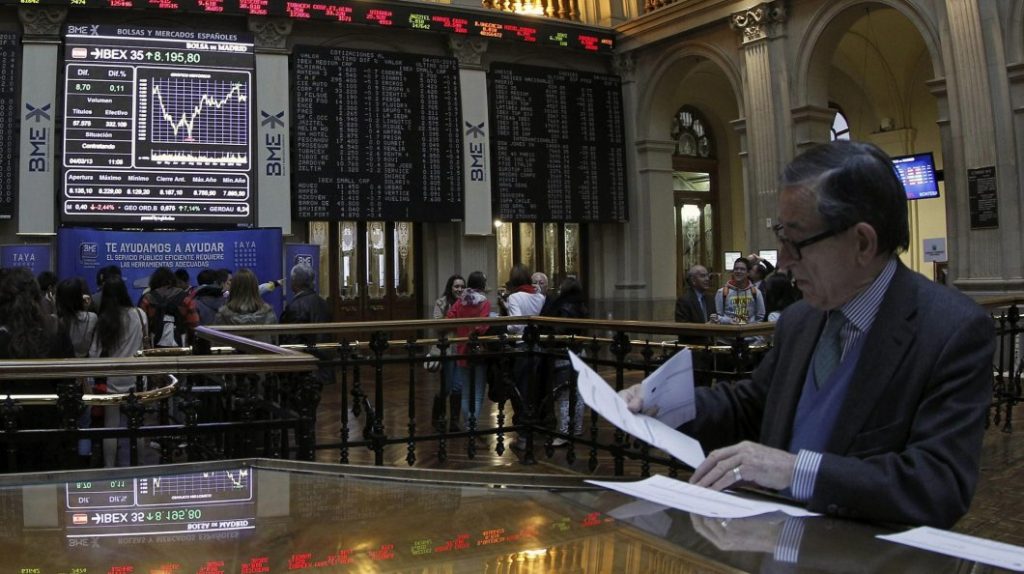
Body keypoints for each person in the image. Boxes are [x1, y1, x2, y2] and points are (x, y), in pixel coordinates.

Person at [622, 140, 994, 528]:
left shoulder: (950, 330)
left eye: (795, 242)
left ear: (862, 243)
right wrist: (664, 403)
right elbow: (753, 405)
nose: (782, 262)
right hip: (775, 542)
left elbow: (938, 483)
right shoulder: (801, 320)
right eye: (780, 237)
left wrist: (794, 471)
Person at [0, 267, 74, 471]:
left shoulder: (4, 336)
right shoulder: (55, 331)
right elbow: (68, 382)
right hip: (46, 425)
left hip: (6, 424)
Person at [90, 277, 147, 468]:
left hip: (112, 377)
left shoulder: (104, 320)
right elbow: (145, 345)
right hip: (137, 376)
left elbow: (94, 353)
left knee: (111, 425)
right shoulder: (139, 314)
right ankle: (138, 464)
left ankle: (109, 467)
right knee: (137, 423)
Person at [538, 277, 588, 446]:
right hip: (579, 351)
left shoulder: (563, 305)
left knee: (564, 394)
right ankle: (577, 428)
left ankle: (564, 433)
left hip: (564, 354)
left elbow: (559, 329)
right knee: (578, 393)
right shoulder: (581, 304)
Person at [445, 271, 491, 431]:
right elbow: (483, 326)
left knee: (465, 391)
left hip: (462, 349)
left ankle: (467, 424)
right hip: (478, 351)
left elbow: (449, 318)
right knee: (477, 392)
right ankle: (472, 425)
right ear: (482, 285)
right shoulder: (484, 302)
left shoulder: (460, 302)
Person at [429, 274, 465, 431]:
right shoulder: (441, 302)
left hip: (461, 349)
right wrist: (455, 321)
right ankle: (439, 417)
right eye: (456, 286)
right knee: (446, 387)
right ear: (450, 287)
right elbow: (437, 325)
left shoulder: (467, 303)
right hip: (447, 350)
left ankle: (455, 422)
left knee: (458, 387)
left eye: (462, 286)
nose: (459, 289)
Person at [138, 267, 199, 348]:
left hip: (153, 345)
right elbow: (194, 323)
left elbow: (141, 325)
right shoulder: (185, 298)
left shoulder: (148, 298)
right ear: (173, 281)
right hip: (181, 344)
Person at [214, 268, 277, 343]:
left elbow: (217, 344)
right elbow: (274, 343)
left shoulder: (222, 315)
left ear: (233, 288)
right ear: (255, 288)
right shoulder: (268, 314)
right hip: (261, 350)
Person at [714, 257, 765, 324]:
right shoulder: (721, 292)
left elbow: (760, 316)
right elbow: (718, 316)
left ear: (748, 273)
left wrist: (749, 324)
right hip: (729, 329)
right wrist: (729, 321)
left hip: (749, 329)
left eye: (742, 269)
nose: (738, 271)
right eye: (736, 269)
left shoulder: (756, 292)